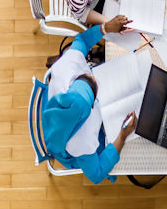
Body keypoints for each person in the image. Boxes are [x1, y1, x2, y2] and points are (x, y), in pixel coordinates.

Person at [42, 14, 137, 184]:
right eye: (94, 81)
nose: (92, 75)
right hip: (68, 139)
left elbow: (82, 41)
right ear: (93, 104)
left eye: (88, 75)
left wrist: (106, 27)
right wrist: (122, 136)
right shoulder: (80, 142)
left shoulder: (67, 68)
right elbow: (97, 174)